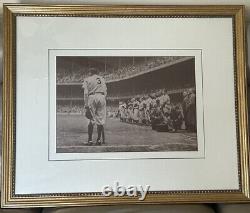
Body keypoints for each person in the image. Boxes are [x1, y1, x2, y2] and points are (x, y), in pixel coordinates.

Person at [82, 68, 107, 145]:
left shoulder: (87, 79)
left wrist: (86, 105)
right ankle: (99, 140)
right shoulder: (102, 79)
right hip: (102, 96)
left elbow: (86, 93)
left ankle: (90, 140)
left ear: (90, 73)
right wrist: (102, 98)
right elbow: (106, 91)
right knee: (100, 120)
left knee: (91, 119)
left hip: (92, 96)